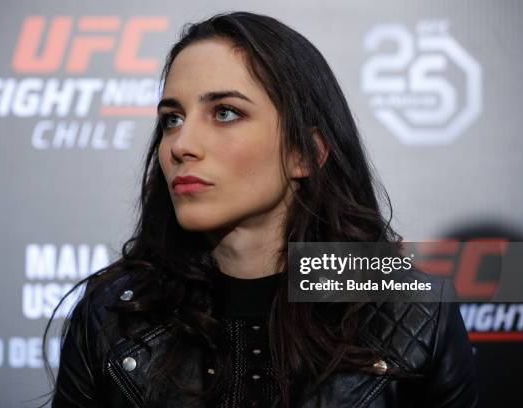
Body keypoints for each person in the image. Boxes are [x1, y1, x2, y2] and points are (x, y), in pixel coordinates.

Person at [43, 11, 478, 408]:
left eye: (226, 112)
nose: (181, 145)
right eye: (172, 118)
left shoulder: (413, 311)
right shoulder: (113, 315)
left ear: (305, 154)